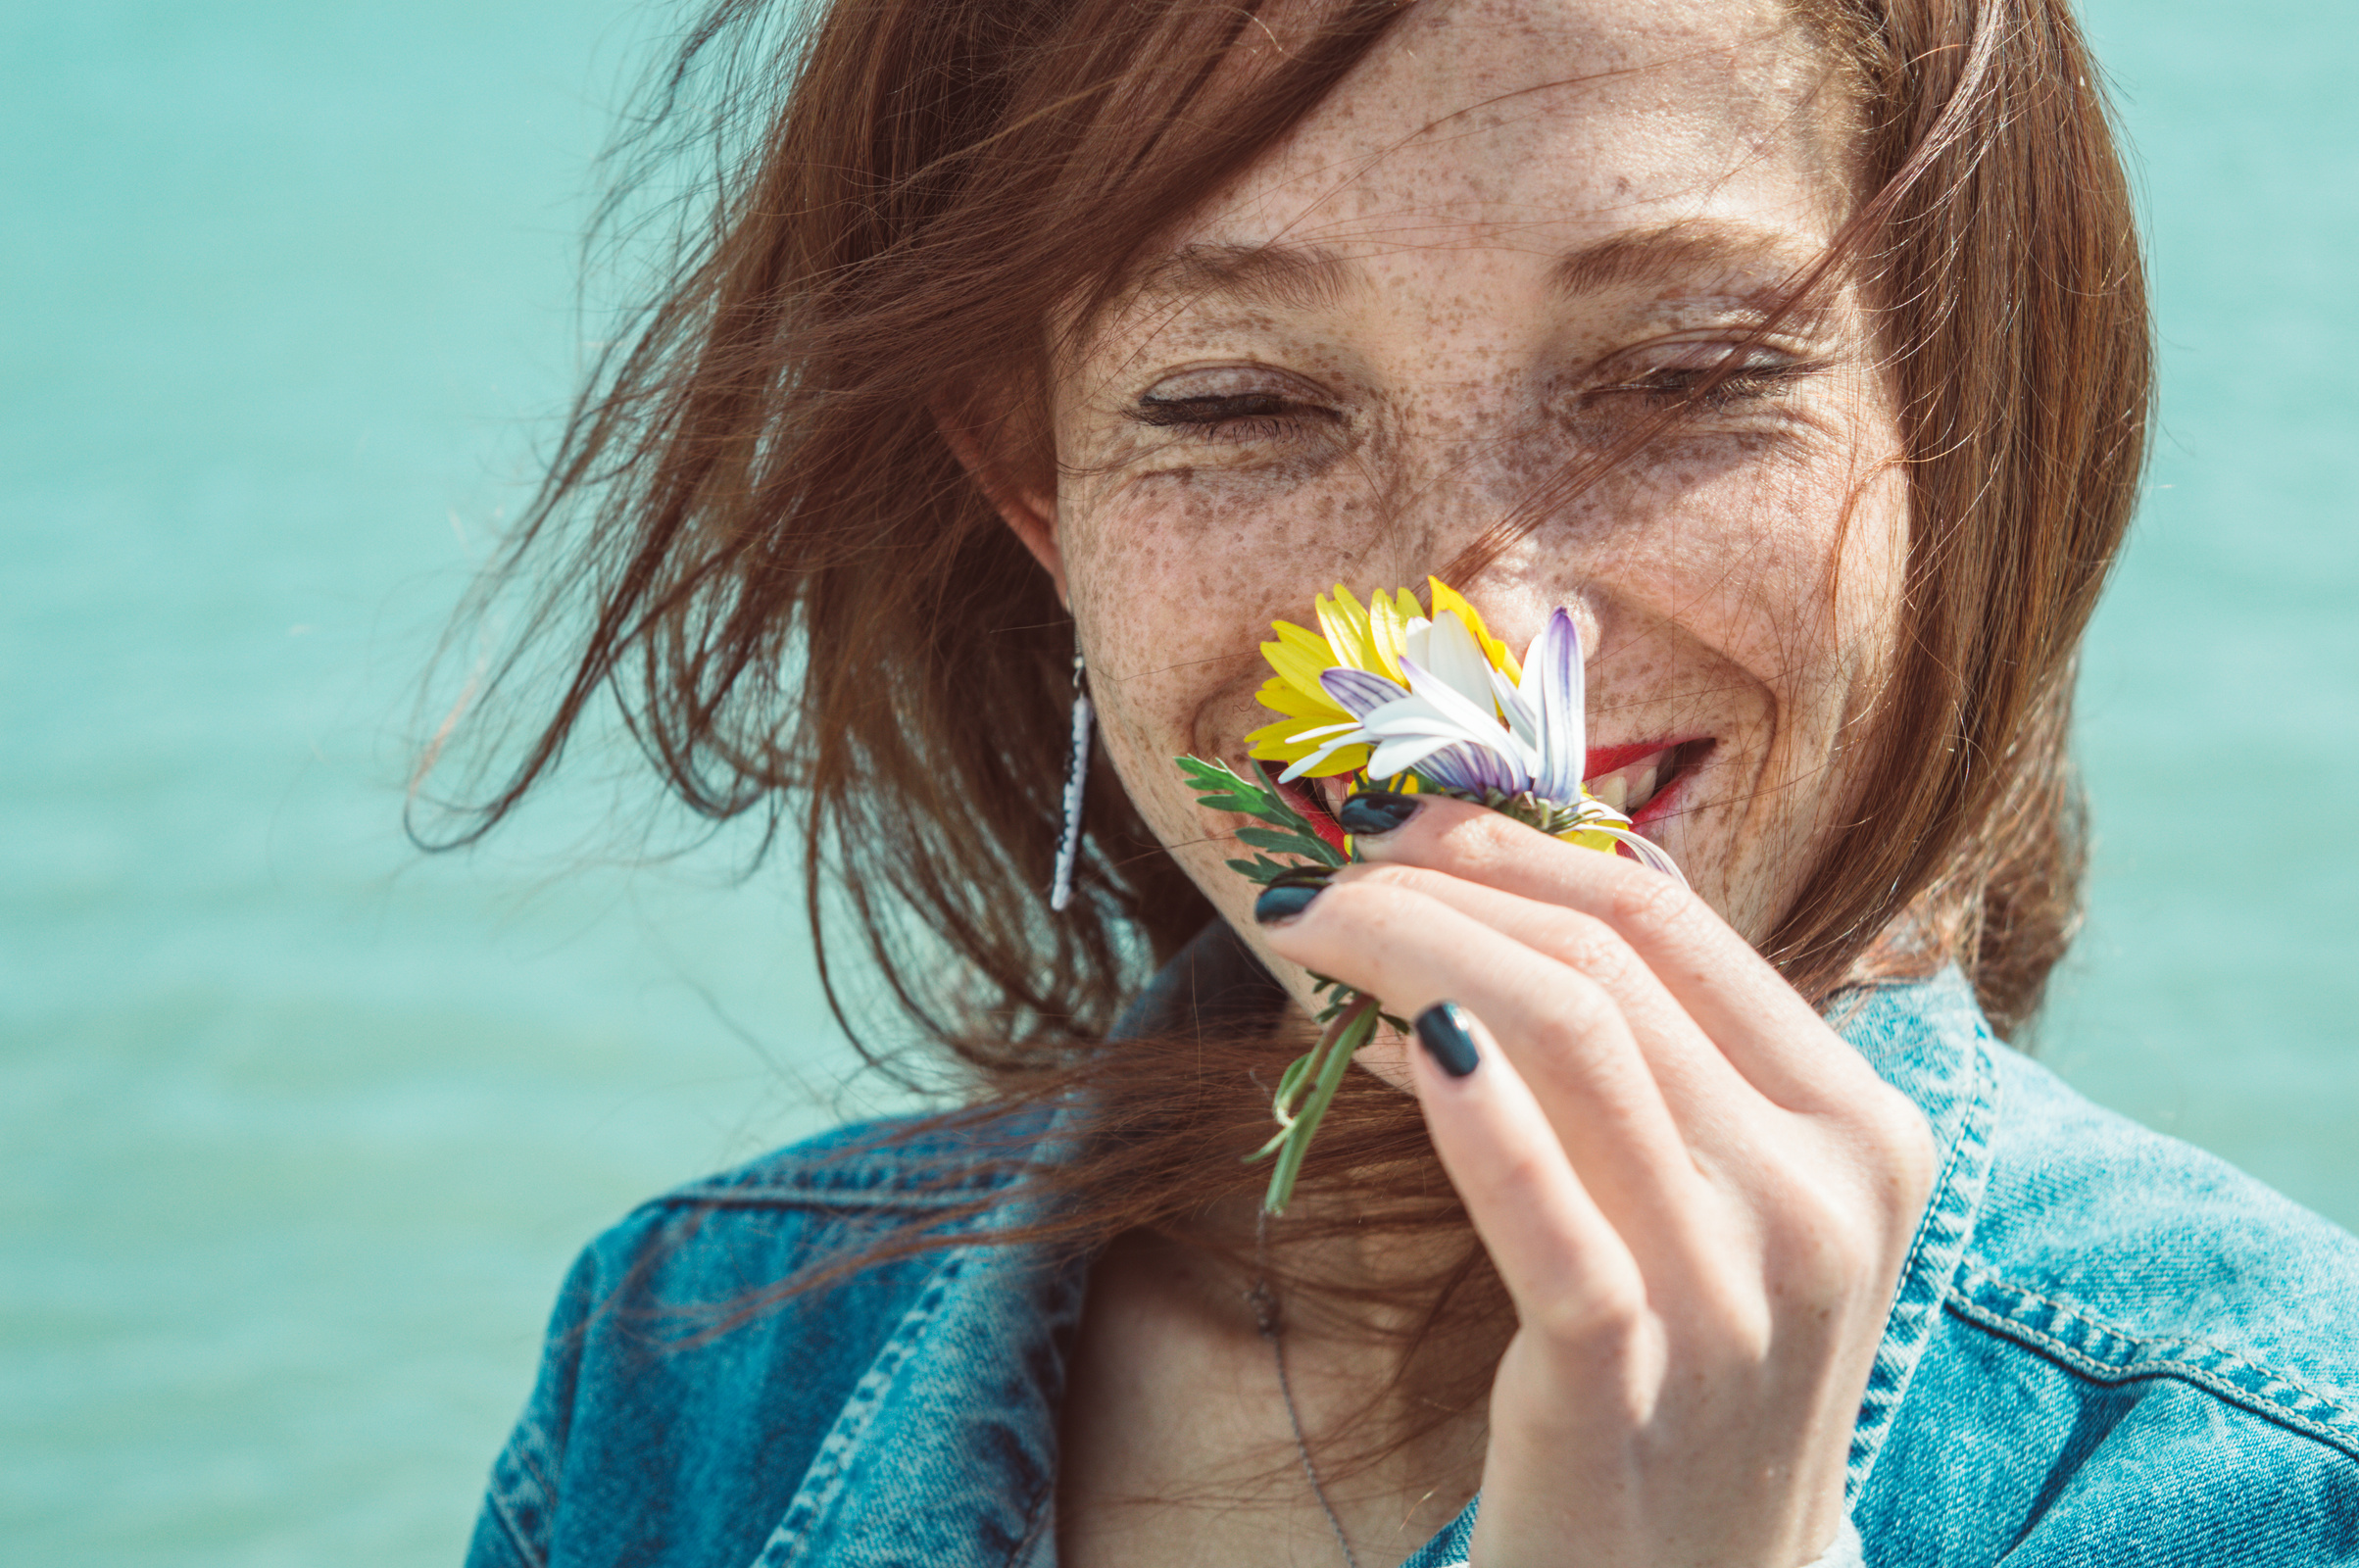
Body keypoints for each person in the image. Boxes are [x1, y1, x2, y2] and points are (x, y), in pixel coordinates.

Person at [436, 0, 2359, 1562]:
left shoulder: (2275, 1473)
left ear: (1950, 417)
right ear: (1038, 499)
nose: (1481, 621)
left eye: (1684, 373)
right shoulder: (687, 1368)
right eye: (1236, 403)